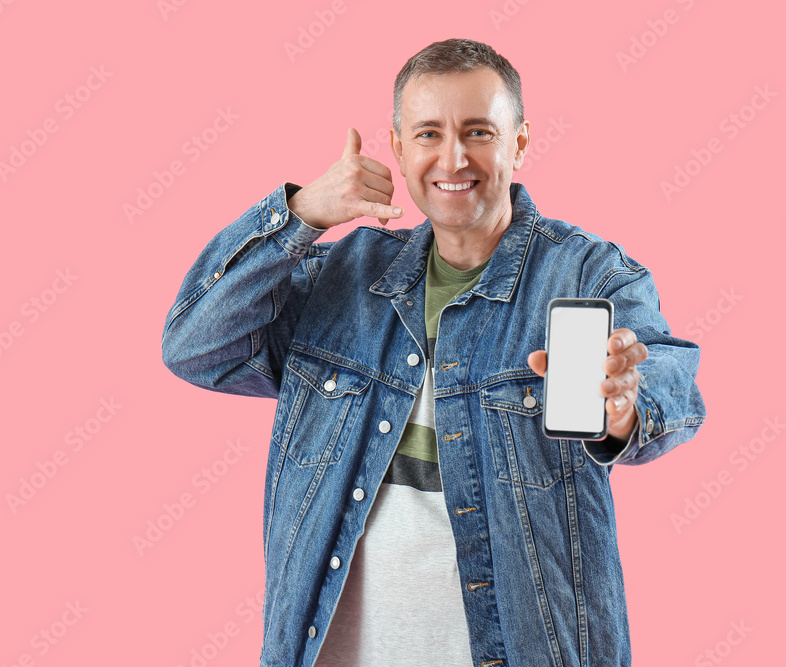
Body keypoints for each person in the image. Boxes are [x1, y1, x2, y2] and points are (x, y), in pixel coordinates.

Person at [162, 38, 705, 667]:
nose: (454, 157)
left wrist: (628, 412)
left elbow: (670, 379)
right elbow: (195, 345)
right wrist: (302, 213)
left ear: (520, 142)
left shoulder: (588, 274)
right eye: (428, 133)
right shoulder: (342, 276)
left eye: (478, 131)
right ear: (396, 148)